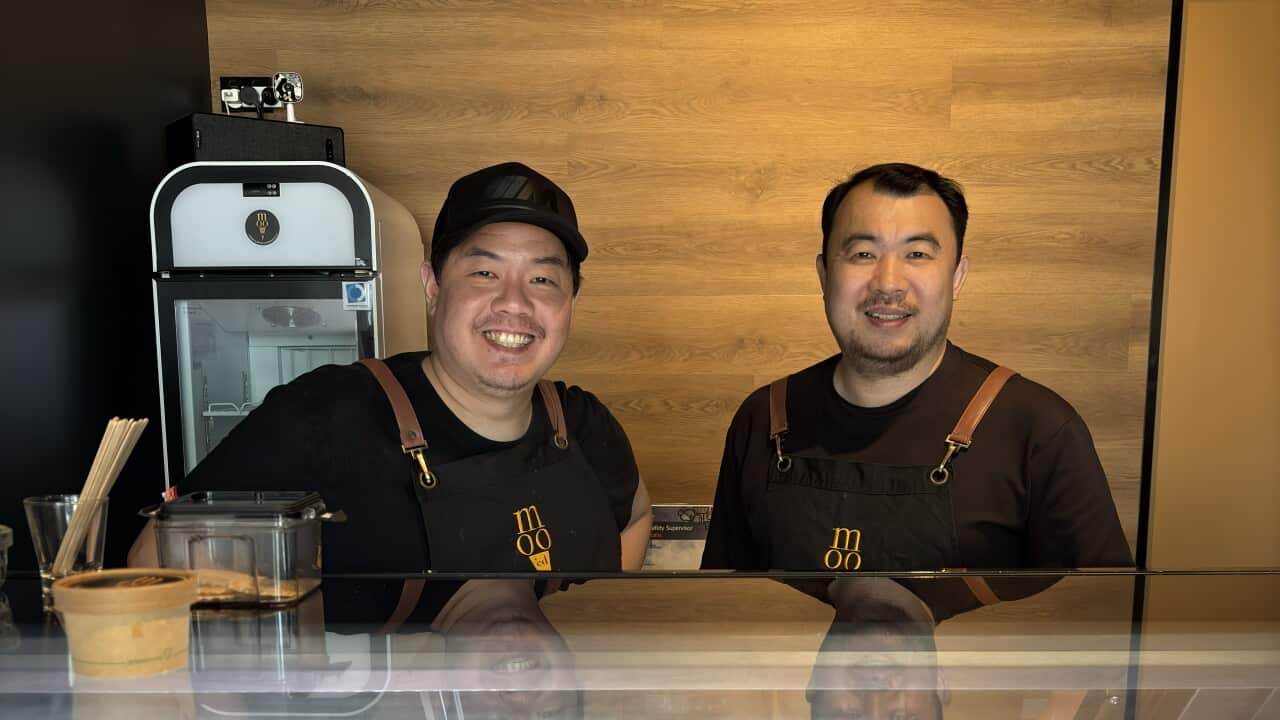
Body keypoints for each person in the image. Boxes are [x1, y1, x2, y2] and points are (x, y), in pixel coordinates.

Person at [131, 162, 652, 621]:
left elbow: (636, 516)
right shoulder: (329, 414)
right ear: (432, 286)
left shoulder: (582, 423)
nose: (513, 302)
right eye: (485, 272)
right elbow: (155, 565)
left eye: (543, 280)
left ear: (570, 302)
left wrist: (583, 636)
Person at [701, 162, 1131, 620]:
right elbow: (725, 612)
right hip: (798, 694)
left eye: (918, 255)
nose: (887, 283)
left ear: (957, 276)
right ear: (825, 275)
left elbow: (1104, 624)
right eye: (862, 254)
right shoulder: (764, 417)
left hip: (970, 694)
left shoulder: (1038, 428)